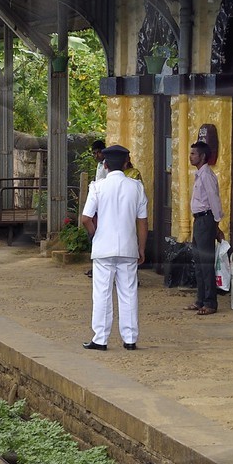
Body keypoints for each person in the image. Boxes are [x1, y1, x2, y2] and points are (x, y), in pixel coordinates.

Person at [79, 145, 148, 351]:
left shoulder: (98, 187)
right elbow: (142, 222)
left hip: (103, 248)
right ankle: (130, 339)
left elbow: (85, 218)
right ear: (126, 163)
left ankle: (100, 339)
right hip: (128, 248)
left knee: (102, 293)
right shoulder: (136, 187)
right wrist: (141, 249)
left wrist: (95, 234)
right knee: (128, 293)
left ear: (105, 164)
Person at [187, 138, 226, 315]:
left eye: (194, 154)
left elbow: (214, 200)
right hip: (199, 221)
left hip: (206, 220)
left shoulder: (207, 176)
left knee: (206, 262)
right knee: (199, 262)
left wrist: (216, 224)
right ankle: (200, 299)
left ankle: (210, 302)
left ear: (202, 157)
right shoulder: (199, 175)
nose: (190, 156)